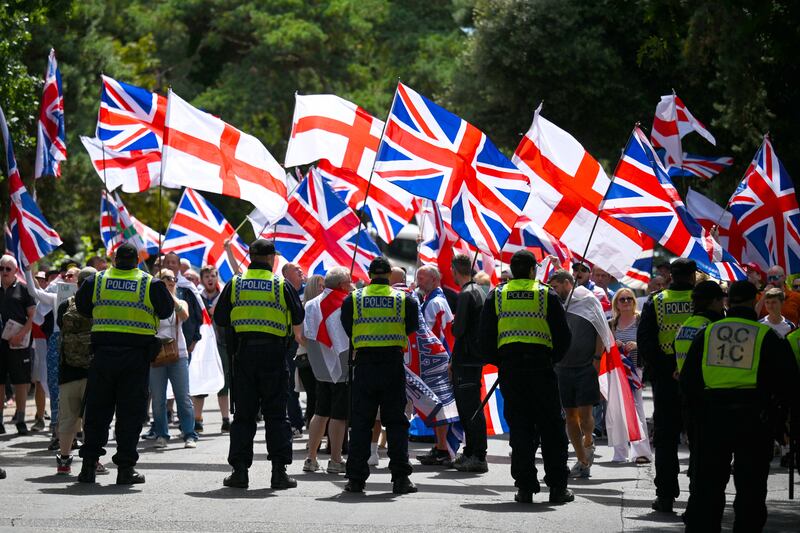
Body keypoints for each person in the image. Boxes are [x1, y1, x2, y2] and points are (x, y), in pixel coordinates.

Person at [680, 281, 800, 531]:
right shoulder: (766, 335)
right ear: (752, 302)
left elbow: (689, 380)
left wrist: (694, 418)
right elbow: (787, 381)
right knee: (751, 487)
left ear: (728, 302)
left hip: (712, 416)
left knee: (708, 485)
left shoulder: (709, 332)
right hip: (753, 418)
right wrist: (783, 420)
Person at [479, 250, 573, 504]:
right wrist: (551, 360)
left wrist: (502, 362)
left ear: (513, 269)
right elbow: (564, 337)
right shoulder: (546, 294)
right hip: (542, 370)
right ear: (533, 270)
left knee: (520, 430)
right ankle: (557, 487)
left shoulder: (497, 295)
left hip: (511, 372)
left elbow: (485, 338)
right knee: (552, 430)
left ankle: (525, 487)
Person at [75, 243, 173, 484]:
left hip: (103, 356)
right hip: (136, 359)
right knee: (130, 415)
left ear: (115, 259)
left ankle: (88, 467)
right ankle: (125, 470)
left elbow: (82, 308)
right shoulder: (150, 283)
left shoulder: (97, 281)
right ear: (138, 260)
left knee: (97, 412)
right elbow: (166, 311)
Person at [215, 239, 304, 490]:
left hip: (243, 355)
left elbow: (220, 316)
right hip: (275, 356)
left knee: (244, 415)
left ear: (251, 256)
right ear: (271, 259)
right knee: (277, 415)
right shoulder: (280, 284)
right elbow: (298, 315)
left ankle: (240, 472)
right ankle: (279, 473)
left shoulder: (235, 283)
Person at [339, 256, 419, 494]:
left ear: (370, 274)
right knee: (396, 423)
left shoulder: (353, 298)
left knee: (362, 423)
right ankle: (401, 479)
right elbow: (411, 327)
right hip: (392, 365)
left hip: (364, 364)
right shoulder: (404, 299)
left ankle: (355, 479)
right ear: (388, 275)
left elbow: (347, 327)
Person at [638, 257, 696, 512]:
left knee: (666, 440)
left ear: (670, 275)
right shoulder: (703, 299)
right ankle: (699, 492)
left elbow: (646, 341)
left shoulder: (657, 300)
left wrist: (662, 371)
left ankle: (665, 495)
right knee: (700, 439)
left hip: (666, 380)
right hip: (700, 381)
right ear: (693, 276)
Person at [548, 269, 606, 479]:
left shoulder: (588, 299)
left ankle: (589, 440)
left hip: (585, 367)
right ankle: (582, 459)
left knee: (585, 415)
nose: (552, 291)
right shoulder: (554, 304)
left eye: (555, 287)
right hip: (561, 368)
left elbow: (602, 329)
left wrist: (597, 360)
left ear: (566, 283)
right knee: (570, 417)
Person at [54, 267, 108, 476]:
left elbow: (60, 330)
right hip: (93, 371)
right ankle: (92, 461)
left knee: (67, 419)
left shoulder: (65, 306)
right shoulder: (101, 306)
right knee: (91, 419)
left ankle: (64, 460)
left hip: (68, 371)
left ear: (78, 284)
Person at [302, 267, 352, 474]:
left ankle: (311, 458)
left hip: (319, 368)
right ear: (342, 285)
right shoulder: (346, 304)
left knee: (320, 412)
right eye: (349, 282)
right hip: (341, 368)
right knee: (338, 416)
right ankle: (335, 459)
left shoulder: (311, 304)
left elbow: (304, 336)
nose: (351, 286)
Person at [149, 269, 199, 449]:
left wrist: (170, 296)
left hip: (178, 354)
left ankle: (189, 434)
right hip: (156, 354)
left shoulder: (181, 301)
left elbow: (184, 315)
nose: (171, 281)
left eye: (173, 278)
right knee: (158, 398)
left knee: (182, 396)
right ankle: (161, 434)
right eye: (166, 278)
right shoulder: (151, 304)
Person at [449, 254, 488, 473]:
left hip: (467, 359)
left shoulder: (466, 295)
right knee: (469, 407)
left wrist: (454, 323)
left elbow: (459, 330)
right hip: (471, 358)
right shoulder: (477, 292)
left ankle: (478, 455)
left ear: (455, 270)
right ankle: (471, 451)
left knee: (470, 408)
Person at [415, 264, 456, 466]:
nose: (418, 282)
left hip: (434, 361)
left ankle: (442, 448)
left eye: (421, 278)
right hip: (437, 360)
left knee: (438, 405)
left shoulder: (434, 303)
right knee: (438, 405)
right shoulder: (432, 300)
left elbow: (427, 333)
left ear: (434, 279)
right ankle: (441, 447)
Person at [609, 287, 652, 464]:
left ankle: (641, 452)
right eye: (622, 299)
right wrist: (614, 344)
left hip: (636, 369)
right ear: (616, 304)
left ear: (634, 301)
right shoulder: (611, 323)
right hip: (617, 371)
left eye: (629, 299)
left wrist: (638, 344)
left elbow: (649, 341)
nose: (626, 302)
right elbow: (604, 347)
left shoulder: (641, 320)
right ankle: (620, 453)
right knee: (616, 411)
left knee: (636, 409)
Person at [0, 255, 35, 435]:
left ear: (15, 271)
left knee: (21, 382)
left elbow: (32, 316)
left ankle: (20, 419)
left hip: (18, 343)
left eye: (8, 269)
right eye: (1, 268)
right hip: (0, 344)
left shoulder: (23, 290)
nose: (4, 272)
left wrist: (20, 335)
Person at [198, 265, 231, 432]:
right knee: (201, 381)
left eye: (212, 276)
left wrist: (218, 312)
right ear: (202, 280)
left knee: (223, 382)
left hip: (221, 343)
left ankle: (226, 419)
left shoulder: (224, 296)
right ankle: (197, 419)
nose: (210, 279)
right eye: (206, 276)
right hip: (202, 346)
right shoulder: (198, 297)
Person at [674, 281, 726, 375]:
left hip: (685, 383)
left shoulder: (686, 324)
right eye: (721, 300)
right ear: (714, 301)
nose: (723, 304)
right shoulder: (711, 327)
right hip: (704, 384)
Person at [282, 261, 307, 436]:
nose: (300, 271)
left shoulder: (310, 291)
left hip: (308, 346)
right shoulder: (281, 291)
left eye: (300, 268)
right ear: (285, 275)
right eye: (295, 269)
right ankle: (295, 423)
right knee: (291, 387)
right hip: (290, 345)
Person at [296, 274, 324, 428]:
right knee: (314, 396)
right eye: (320, 286)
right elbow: (299, 336)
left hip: (322, 359)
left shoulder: (325, 306)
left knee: (322, 397)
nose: (322, 289)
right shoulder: (302, 307)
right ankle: (314, 433)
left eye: (324, 286)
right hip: (307, 358)